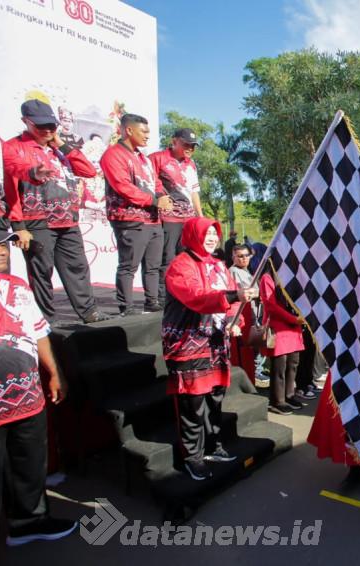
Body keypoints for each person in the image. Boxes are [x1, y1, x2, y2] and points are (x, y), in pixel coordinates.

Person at [0, 228, 77, 556]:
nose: (2, 251)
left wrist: (55, 373)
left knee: (29, 463)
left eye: (5, 245)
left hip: (26, 397)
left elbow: (39, 332)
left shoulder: (19, 286)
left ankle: (29, 523)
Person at [162, 217, 254, 480]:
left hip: (216, 342)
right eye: (207, 234)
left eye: (215, 233)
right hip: (187, 344)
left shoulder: (218, 265)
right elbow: (195, 298)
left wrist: (237, 321)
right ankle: (193, 456)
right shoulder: (181, 266)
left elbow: (233, 299)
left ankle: (214, 445)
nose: (212, 238)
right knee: (193, 405)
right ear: (193, 236)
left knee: (215, 398)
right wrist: (234, 297)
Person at [3, 100, 109, 323]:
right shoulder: (14, 147)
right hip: (37, 221)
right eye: (42, 126)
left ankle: (89, 312)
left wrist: (61, 144)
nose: (49, 131)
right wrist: (18, 226)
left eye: (52, 125)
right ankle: (47, 320)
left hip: (68, 219)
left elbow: (88, 171)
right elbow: (11, 184)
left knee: (77, 267)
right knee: (41, 271)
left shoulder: (58, 148)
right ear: (26, 122)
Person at [101, 114, 173, 315]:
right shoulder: (113, 155)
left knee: (153, 265)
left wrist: (162, 196)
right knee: (128, 265)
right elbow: (122, 186)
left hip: (153, 219)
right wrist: (154, 200)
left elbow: (156, 182)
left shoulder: (144, 158)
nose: (148, 135)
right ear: (129, 130)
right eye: (144, 131)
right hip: (129, 219)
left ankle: (152, 301)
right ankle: (127, 306)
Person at [150, 128, 203, 306]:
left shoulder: (191, 164)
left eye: (193, 146)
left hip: (187, 218)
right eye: (186, 144)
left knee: (185, 258)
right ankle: (163, 297)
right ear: (175, 141)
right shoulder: (158, 158)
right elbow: (150, 183)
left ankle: (182, 294)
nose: (190, 148)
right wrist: (160, 198)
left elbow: (194, 192)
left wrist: (200, 217)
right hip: (168, 217)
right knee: (167, 258)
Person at [259, 266, 307, 415]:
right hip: (278, 326)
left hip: (293, 325)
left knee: (293, 362)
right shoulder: (267, 277)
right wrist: (293, 319)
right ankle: (277, 400)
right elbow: (271, 306)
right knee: (280, 365)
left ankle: (289, 395)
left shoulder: (290, 273)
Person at [228, 244, 269, 387]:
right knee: (250, 345)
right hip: (243, 314)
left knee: (256, 344)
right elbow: (245, 292)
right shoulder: (233, 271)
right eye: (240, 256)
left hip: (254, 312)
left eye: (247, 255)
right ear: (233, 257)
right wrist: (263, 292)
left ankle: (256, 370)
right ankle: (255, 372)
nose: (244, 258)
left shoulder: (247, 270)